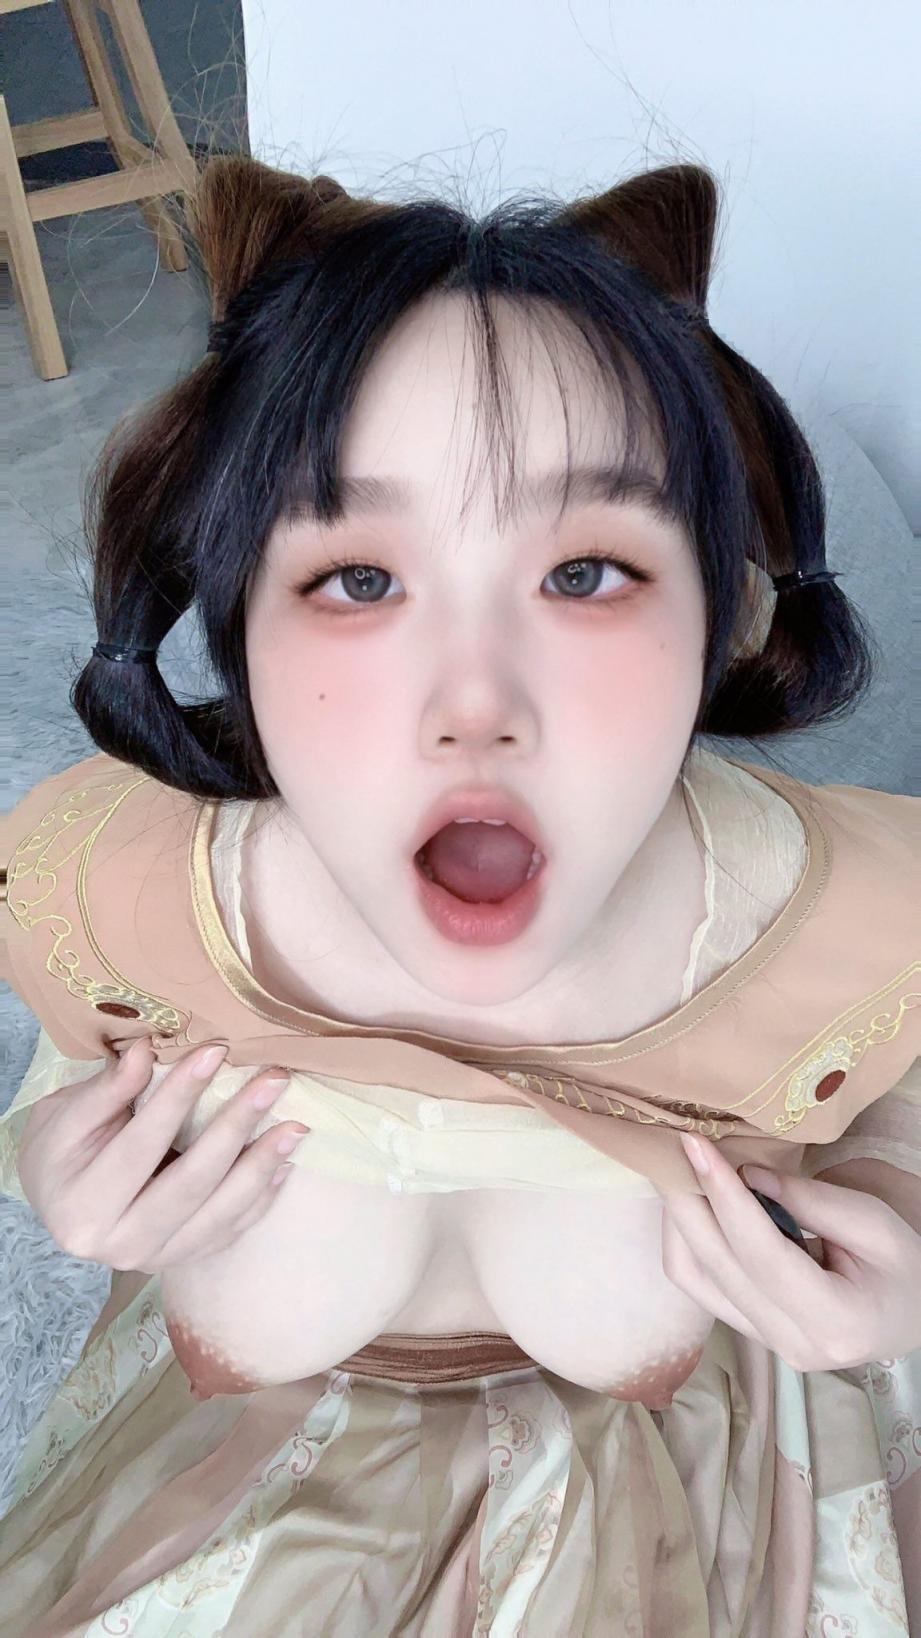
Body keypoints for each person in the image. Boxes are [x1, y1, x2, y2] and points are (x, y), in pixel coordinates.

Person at [0, 154, 918, 1636]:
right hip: (240, 1491)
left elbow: (886, 1061)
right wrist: (59, 1164)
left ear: (722, 612)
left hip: (703, 1506)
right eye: (361, 581)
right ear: (234, 629)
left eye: (586, 572)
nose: (475, 703)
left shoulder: (815, 911)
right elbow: (92, 1038)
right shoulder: (131, 889)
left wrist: (892, 1241)